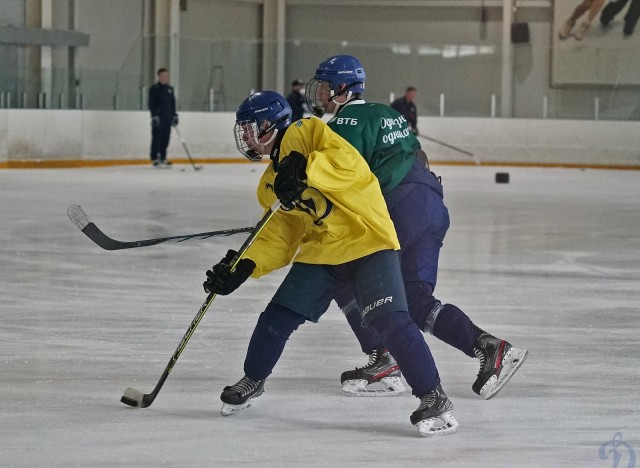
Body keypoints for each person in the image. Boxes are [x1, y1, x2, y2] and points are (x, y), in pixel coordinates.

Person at [203, 90, 458, 437]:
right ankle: (253, 380)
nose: (245, 137)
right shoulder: (269, 184)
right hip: (323, 252)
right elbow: (280, 234)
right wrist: (243, 266)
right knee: (277, 317)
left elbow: (349, 166)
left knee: (392, 321)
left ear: (269, 125)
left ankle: (434, 397)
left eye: (249, 128)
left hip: (367, 240)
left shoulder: (305, 132)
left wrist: (307, 167)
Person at [304, 55, 528, 399]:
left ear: (342, 89)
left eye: (323, 88)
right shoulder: (390, 114)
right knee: (414, 299)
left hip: (400, 209)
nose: (319, 95)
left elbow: (334, 178)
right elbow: (416, 157)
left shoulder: (343, 122)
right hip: (431, 205)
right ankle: (489, 347)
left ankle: (384, 357)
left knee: (340, 273)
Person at [148, 67, 178, 167]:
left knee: (166, 138)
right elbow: (151, 104)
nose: (164, 77)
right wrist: (154, 116)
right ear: (159, 76)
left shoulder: (170, 89)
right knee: (157, 138)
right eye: (162, 76)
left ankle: (163, 157)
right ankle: (154, 157)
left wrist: (174, 116)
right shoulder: (154, 89)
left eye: (166, 76)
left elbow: (172, 104)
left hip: (167, 118)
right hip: (158, 119)